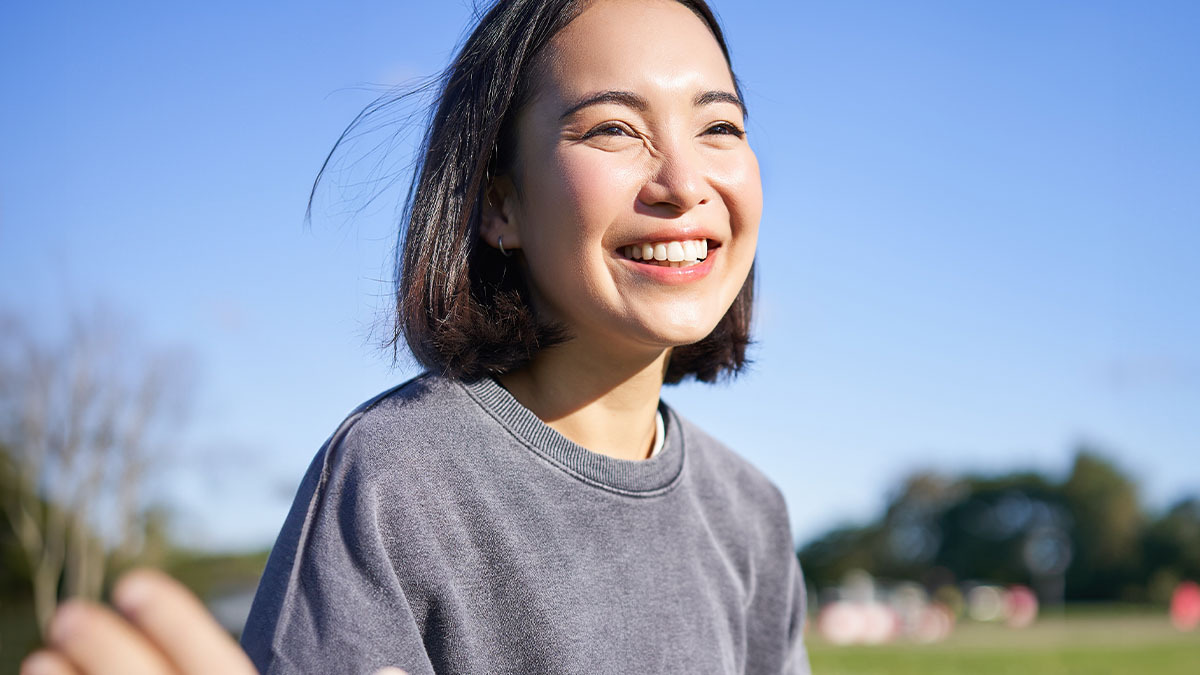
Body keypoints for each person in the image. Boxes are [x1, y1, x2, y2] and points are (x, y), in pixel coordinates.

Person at [23, 0, 810, 672]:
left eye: (719, 126)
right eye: (612, 128)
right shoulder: (393, 478)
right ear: (499, 204)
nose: (683, 182)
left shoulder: (751, 517)